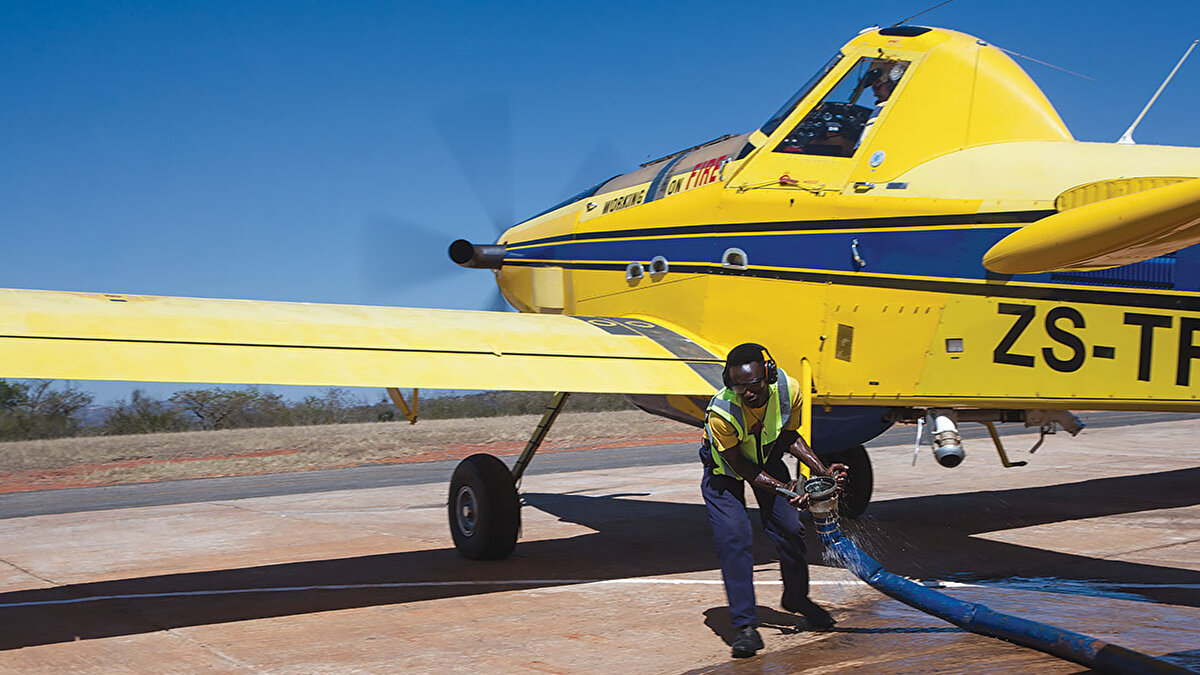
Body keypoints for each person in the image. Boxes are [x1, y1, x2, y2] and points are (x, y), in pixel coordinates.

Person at [700, 343, 848, 658]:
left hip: (766, 457)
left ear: (767, 374)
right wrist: (786, 489)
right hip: (726, 470)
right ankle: (745, 628)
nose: (747, 392)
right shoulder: (721, 412)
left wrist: (822, 471)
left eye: (753, 384)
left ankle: (796, 598)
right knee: (734, 537)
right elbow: (741, 466)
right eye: (738, 386)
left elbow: (788, 436)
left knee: (791, 529)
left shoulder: (788, 389)